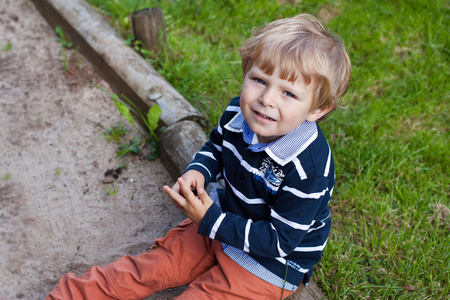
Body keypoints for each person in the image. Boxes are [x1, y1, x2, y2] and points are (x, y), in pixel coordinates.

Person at [47, 13, 351, 300]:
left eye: (289, 93)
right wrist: (200, 171)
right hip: (224, 219)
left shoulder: (309, 169)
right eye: (260, 80)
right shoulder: (238, 112)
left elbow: (280, 242)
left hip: (269, 264)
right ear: (246, 72)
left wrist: (211, 220)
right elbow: (217, 147)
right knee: (148, 268)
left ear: (317, 110)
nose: (266, 99)